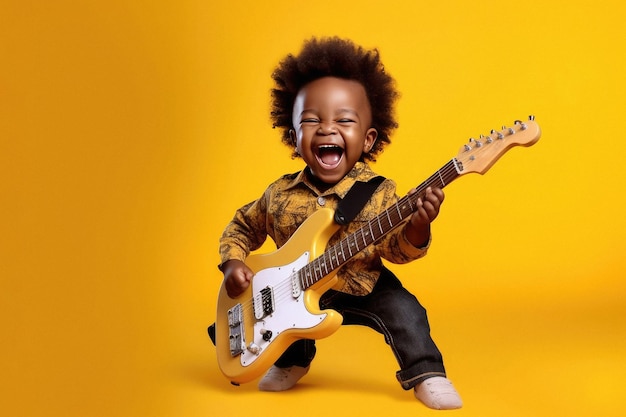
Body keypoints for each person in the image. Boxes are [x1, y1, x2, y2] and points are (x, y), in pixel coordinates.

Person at [217, 36, 462, 410]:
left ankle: (427, 372)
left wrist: (419, 227)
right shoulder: (279, 193)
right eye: (311, 120)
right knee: (285, 319)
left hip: (363, 282)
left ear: (368, 139)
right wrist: (233, 262)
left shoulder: (379, 193)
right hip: (292, 291)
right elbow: (240, 226)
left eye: (344, 120)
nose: (328, 129)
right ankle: (290, 361)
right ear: (293, 137)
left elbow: (397, 249)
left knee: (407, 312)